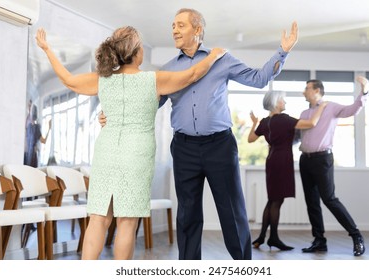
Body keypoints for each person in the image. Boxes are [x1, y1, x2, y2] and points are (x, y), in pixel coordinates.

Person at [99, 9, 298, 260]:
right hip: (184, 148)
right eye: (173, 25)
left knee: (232, 212)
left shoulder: (222, 60)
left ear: (198, 30)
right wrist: (111, 116)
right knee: (187, 215)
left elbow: (259, 79)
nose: (174, 30)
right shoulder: (168, 69)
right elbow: (146, 104)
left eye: (181, 25)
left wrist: (283, 52)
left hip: (220, 146)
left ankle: (244, 266)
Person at [35, 26, 226, 260]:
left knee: (98, 218)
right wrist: (215, 55)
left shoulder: (103, 80)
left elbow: (68, 80)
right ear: (137, 53)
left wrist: (47, 49)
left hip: (106, 152)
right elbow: (192, 74)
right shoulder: (153, 80)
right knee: (126, 222)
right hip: (137, 155)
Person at [298, 76, 369, 256]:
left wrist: (364, 90)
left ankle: (356, 236)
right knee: (311, 202)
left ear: (316, 91)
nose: (304, 91)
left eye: (307, 88)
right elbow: (298, 136)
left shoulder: (330, 107)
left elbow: (353, 110)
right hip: (305, 160)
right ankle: (319, 241)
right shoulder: (305, 114)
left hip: (322, 160)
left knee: (329, 199)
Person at [248, 91, 327, 251]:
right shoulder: (285, 119)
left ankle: (262, 237)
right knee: (277, 201)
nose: (285, 102)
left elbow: (250, 139)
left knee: (272, 199)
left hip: (271, 160)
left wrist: (254, 123)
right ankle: (274, 239)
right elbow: (311, 123)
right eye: (283, 100)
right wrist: (322, 107)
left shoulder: (264, 122)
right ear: (276, 103)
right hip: (282, 161)